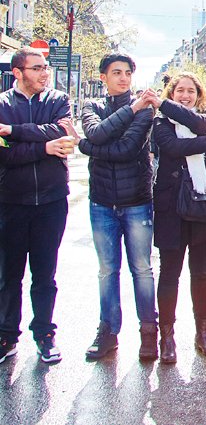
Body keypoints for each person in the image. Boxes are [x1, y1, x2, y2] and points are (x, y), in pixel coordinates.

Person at [78, 53, 158, 361]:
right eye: (116, 72)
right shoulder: (91, 106)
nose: (123, 78)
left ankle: (149, 332)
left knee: (142, 269)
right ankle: (108, 331)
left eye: (127, 73)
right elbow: (97, 132)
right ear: (104, 77)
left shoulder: (145, 110)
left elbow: (126, 149)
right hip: (102, 203)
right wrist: (94, 140)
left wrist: (86, 147)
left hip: (136, 201)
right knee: (107, 271)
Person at [0, 48, 75, 364]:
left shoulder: (59, 100)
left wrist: (15, 133)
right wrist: (45, 147)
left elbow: (64, 132)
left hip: (51, 201)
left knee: (45, 275)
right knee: (8, 275)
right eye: (37, 68)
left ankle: (45, 334)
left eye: (46, 67)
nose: (45, 73)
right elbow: (4, 155)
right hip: (11, 202)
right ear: (17, 72)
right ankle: (6, 336)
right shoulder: (2, 104)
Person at [150, 72, 206, 363]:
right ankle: (166, 337)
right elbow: (172, 147)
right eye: (179, 91)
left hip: (202, 200)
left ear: (199, 95)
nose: (185, 95)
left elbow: (198, 125)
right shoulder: (160, 121)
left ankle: (203, 332)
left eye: (190, 91)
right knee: (169, 272)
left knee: (201, 271)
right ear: (170, 95)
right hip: (171, 203)